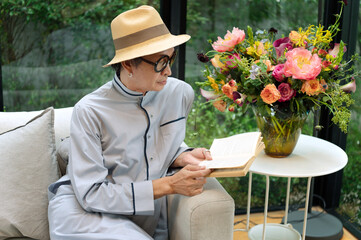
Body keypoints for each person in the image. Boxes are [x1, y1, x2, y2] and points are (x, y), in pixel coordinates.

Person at [47, 5, 212, 240]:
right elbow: (91, 194)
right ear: (127, 64)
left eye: (171, 58)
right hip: (85, 212)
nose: (169, 71)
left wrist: (182, 155)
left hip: (142, 212)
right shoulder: (89, 111)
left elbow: (159, 145)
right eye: (161, 62)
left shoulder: (180, 94)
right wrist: (170, 185)